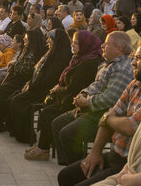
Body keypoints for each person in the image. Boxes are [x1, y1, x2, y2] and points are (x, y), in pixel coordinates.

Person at [58, 45, 141, 186]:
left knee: (69, 131)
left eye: (138, 58)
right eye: (134, 57)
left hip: (129, 162)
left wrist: (108, 118)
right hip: (115, 153)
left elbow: (129, 126)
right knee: (65, 176)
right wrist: (95, 152)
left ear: (118, 48)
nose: (133, 62)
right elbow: (110, 114)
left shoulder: (122, 69)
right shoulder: (135, 84)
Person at [52, 31, 133, 165]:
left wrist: (86, 102)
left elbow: (110, 98)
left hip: (103, 114)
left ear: (119, 49)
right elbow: (96, 84)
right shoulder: (108, 64)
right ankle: (69, 166)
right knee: (57, 123)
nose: (102, 46)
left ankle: (82, 167)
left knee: (67, 134)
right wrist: (83, 94)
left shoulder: (124, 68)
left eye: (107, 44)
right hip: (91, 108)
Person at [25, 30, 103, 161]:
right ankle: (42, 145)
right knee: (46, 107)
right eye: (72, 42)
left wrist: (58, 89)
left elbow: (74, 88)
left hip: (74, 100)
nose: (72, 45)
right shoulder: (80, 58)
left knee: (47, 113)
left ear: (85, 44)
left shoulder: (88, 63)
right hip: (67, 96)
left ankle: (43, 149)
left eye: (76, 43)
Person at [8, 29, 72, 144]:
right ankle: (18, 132)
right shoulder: (50, 52)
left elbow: (50, 77)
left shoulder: (61, 56)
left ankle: (25, 136)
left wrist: (32, 86)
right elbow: (38, 71)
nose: (47, 41)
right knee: (14, 97)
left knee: (19, 101)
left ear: (56, 41)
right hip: (37, 86)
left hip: (45, 90)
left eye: (50, 38)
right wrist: (29, 83)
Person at [0, 30, 46, 133]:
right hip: (15, 79)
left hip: (22, 82)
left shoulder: (35, 53)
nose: (24, 39)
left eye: (27, 38)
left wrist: (15, 64)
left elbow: (25, 70)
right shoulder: (26, 50)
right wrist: (16, 63)